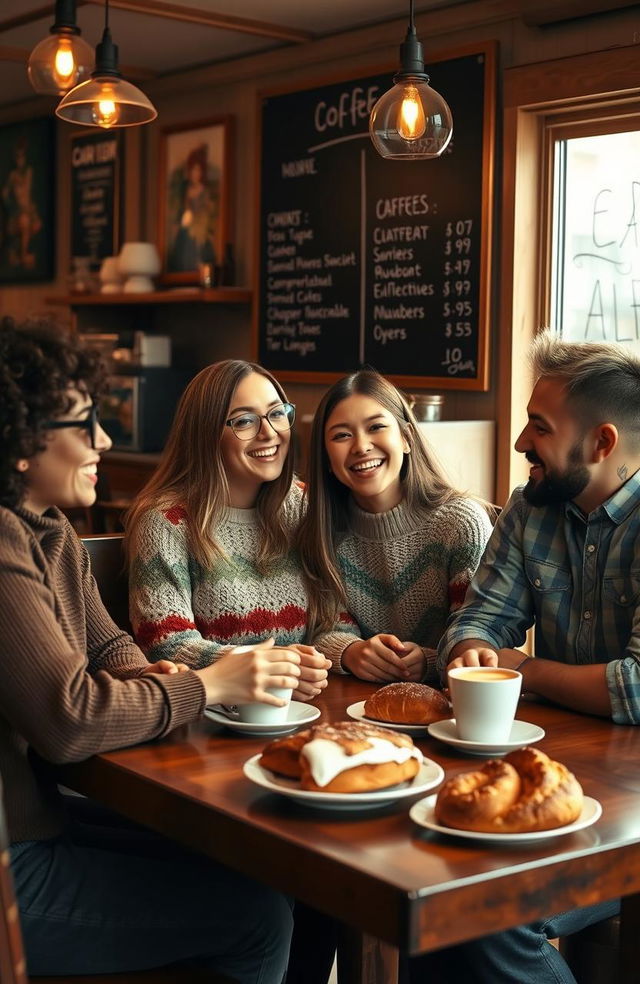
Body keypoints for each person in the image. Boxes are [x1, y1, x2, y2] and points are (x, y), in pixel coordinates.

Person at [0, 317, 298, 982]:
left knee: (262, 870)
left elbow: (109, 646)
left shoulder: (46, 528)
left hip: (42, 824)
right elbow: (69, 719)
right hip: (12, 862)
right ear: (21, 442)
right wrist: (209, 685)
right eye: (83, 424)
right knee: (259, 916)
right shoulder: (2, 541)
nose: (103, 439)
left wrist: (148, 675)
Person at [429, 328, 637, 983]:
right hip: (557, 783)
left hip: (629, 818)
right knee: (436, 898)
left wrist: (519, 671)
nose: (521, 443)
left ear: (601, 443)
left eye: (538, 428)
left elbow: (636, 689)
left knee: (487, 913)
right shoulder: (530, 508)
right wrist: (473, 655)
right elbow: (475, 625)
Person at [125, 359, 331, 701]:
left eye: (277, 413)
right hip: (210, 720)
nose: (269, 433)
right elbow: (164, 643)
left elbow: (332, 617)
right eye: (245, 421)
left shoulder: (303, 504)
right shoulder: (165, 520)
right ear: (205, 433)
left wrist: (336, 653)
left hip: (304, 709)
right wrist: (264, 668)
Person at [298, 369, 493, 685]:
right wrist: (351, 651)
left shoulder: (461, 524)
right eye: (341, 435)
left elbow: (478, 632)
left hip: (451, 702)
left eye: (376, 427)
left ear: (406, 438)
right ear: (326, 457)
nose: (361, 446)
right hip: (355, 702)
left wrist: (430, 661)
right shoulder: (323, 530)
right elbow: (324, 627)